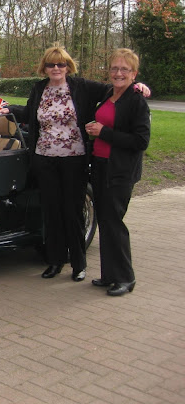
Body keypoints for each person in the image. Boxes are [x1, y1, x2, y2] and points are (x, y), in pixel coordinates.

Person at [1, 45, 150, 282]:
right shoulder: (39, 88)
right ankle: (55, 260)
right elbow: (31, 113)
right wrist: (9, 110)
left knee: (73, 211)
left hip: (74, 159)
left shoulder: (82, 87)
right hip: (45, 158)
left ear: (68, 67)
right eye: (51, 64)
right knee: (51, 211)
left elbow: (116, 88)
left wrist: (139, 86)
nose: (56, 68)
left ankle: (78, 264)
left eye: (61, 64)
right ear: (44, 68)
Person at [85, 49, 150, 296]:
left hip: (120, 171)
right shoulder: (108, 94)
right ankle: (109, 275)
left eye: (124, 69)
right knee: (105, 221)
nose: (118, 73)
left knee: (114, 222)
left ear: (134, 74)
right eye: (114, 68)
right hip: (100, 166)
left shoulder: (136, 101)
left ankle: (125, 278)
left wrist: (104, 132)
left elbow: (140, 141)